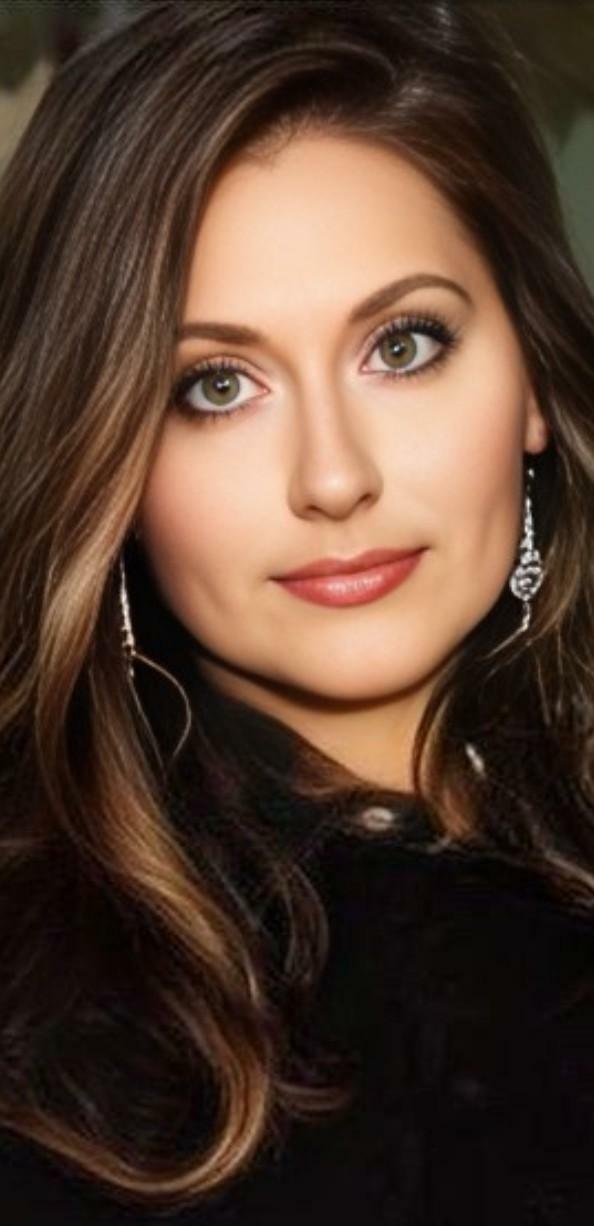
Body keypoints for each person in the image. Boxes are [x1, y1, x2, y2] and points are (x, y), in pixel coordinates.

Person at [1, 0, 594, 1221]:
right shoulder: (46, 1038)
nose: (333, 476)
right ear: (106, 461)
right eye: (217, 385)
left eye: (404, 345)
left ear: (533, 379)